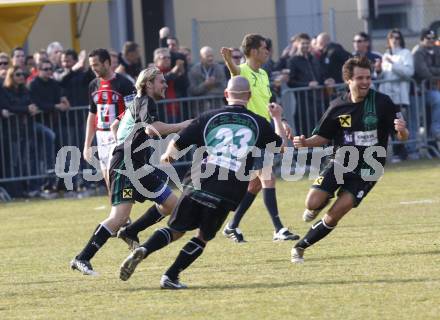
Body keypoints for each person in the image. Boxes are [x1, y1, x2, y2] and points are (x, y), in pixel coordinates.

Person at [118, 75, 288, 289]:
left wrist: (167, 157)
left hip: (199, 179)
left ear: (226, 95)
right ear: (249, 96)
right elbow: (282, 147)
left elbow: (177, 145)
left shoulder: (208, 117)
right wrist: (278, 118)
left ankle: (144, 249)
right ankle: (171, 275)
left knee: (175, 229)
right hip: (229, 188)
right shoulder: (258, 122)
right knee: (202, 237)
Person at [70, 66, 191, 275]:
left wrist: (125, 143)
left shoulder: (135, 103)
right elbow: (151, 129)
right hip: (126, 167)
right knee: (118, 217)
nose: (165, 85)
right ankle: (82, 258)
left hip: (138, 166)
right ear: (149, 84)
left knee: (173, 205)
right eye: (161, 81)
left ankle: (132, 231)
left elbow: (116, 126)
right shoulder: (146, 101)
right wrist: (183, 125)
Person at [290, 56, 409, 264]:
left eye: (368, 78)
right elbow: (323, 136)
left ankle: (300, 247)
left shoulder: (383, 103)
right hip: (341, 161)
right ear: (348, 80)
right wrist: (305, 142)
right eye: (360, 78)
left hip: (369, 168)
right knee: (312, 202)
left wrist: (402, 131)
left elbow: (402, 136)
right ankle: (317, 205)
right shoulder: (337, 106)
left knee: (337, 212)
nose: (365, 82)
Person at [220, 33, 299, 242]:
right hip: (252, 134)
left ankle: (231, 226)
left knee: (254, 185)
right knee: (268, 178)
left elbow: (268, 104)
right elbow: (235, 72)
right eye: (264, 48)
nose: (267, 51)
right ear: (254, 51)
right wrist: (228, 60)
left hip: (264, 131)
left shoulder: (263, 74)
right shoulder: (243, 71)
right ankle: (278, 228)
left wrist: (280, 121)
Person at [83, 48, 134, 191]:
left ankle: (123, 207)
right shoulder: (93, 85)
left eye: (96, 65)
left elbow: (133, 111)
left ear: (106, 63)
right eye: (91, 66)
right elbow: (92, 115)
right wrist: (87, 145)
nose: (93, 69)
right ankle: (117, 209)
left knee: (119, 176)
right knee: (107, 177)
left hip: (119, 136)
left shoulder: (124, 83)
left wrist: (119, 125)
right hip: (101, 136)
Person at [377, 29, 414, 161]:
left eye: (397, 37)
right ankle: (388, 153)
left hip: (399, 96)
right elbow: (381, 76)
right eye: (392, 37)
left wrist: (393, 64)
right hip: (386, 95)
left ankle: (402, 152)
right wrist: (378, 69)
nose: (395, 40)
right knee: (385, 124)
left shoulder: (406, 53)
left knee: (399, 125)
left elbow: (409, 72)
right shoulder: (385, 54)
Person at [412, 28, 440, 150]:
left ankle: (434, 135)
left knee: (437, 101)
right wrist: (434, 72)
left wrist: (432, 70)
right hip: (418, 91)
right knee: (415, 119)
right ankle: (413, 148)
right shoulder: (418, 52)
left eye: (433, 38)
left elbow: (431, 70)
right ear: (422, 39)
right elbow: (423, 72)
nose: (431, 41)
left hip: (431, 88)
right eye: (428, 38)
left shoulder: (436, 50)